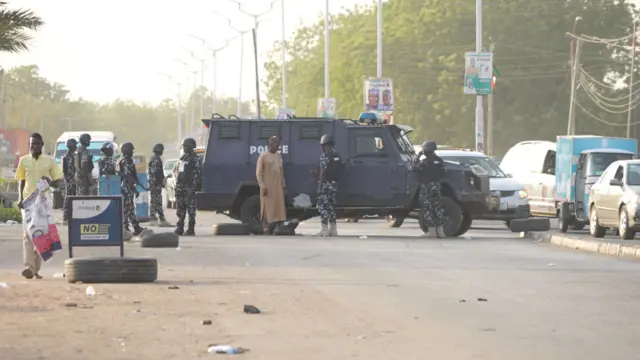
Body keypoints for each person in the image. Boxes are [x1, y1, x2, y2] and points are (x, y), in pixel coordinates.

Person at [15, 133, 64, 279]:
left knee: (41, 236)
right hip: (28, 203)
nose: (34, 147)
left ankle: (35, 269)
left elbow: (59, 182)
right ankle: (29, 267)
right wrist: (20, 198)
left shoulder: (49, 161)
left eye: (37, 144)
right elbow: (21, 181)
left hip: (43, 203)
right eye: (31, 145)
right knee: (28, 235)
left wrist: (49, 181)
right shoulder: (23, 161)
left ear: (42, 145)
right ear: (29, 146)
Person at [412, 141, 447, 238]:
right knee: (438, 207)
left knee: (428, 208)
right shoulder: (439, 161)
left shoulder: (425, 162)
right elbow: (444, 173)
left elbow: (414, 168)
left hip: (426, 186)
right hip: (436, 186)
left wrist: (418, 156)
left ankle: (432, 232)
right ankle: (440, 232)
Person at [256, 136, 286, 234]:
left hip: (278, 186)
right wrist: (262, 186)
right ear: (270, 144)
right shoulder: (263, 156)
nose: (278, 146)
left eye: (279, 144)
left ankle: (276, 227)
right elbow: (259, 173)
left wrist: (283, 184)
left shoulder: (278, 156)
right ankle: (266, 228)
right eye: (276, 144)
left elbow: (281, 171)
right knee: (267, 207)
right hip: (267, 187)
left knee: (278, 207)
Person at [315, 134, 341, 236]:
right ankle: (333, 230)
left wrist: (319, 187)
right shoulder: (336, 154)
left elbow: (324, 171)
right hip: (334, 185)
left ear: (324, 145)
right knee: (331, 207)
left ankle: (324, 230)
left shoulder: (325, 155)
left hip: (326, 185)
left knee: (323, 206)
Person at [174, 138, 202, 236]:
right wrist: (177, 186)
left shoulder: (196, 159)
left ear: (191, 147)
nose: (184, 148)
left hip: (189, 188)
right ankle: (180, 227)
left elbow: (196, 175)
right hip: (181, 187)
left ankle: (191, 229)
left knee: (190, 210)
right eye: (183, 146)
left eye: (185, 146)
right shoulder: (183, 158)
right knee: (181, 208)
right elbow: (179, 173)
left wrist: (192, 189)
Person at [117, 142, 145, 236]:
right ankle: (125, 228)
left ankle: (135, 227)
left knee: (129, 208)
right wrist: (135, 189)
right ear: (127, 150)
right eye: (131, 150)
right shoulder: (127, 161)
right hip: (126, 187)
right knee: (127, 208)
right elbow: (128, 176)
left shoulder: (121, 159)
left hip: (123, 187)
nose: (132, 152)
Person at [148, 143, 170, 227]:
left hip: (154, 184)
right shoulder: (156, 159)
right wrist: (160, 182)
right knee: (157, 202)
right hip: (155, 184)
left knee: (154, 202)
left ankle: (154, 218)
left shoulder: (153, 158)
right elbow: (156, 173)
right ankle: (161, 219)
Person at [61, 138, 77, 225]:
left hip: (76, 180)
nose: (76, 147)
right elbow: (65, 171)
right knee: (68, 198)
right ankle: (66, 217)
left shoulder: (75, 155)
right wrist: (68, 181)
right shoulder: (65, 157)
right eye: (74, 145)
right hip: (69, 180)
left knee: (75, 198)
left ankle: (73, 216)